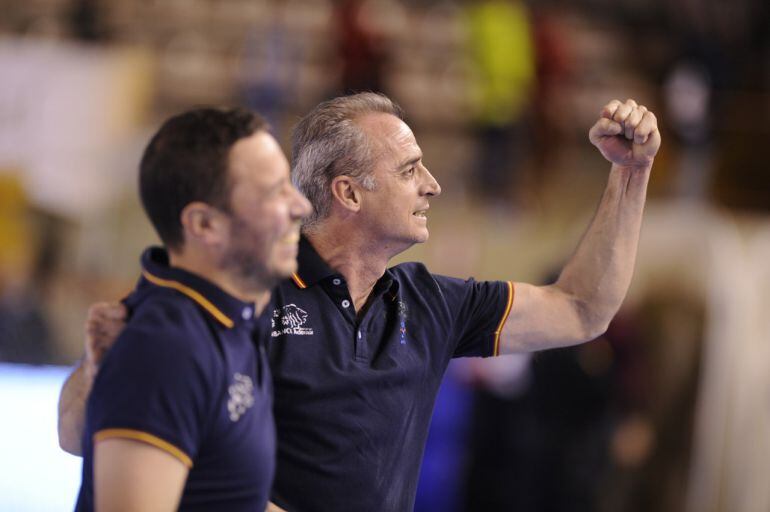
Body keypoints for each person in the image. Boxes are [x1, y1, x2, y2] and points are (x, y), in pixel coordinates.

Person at [60, 93, 660, 511]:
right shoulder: (242, 292)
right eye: (410, 169)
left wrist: (630, 176)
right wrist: (100, 369)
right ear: (347, 191)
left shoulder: (430, 303)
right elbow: (88, 433)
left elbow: (583, 308)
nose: (434, 184)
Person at [70, 107, 311, 511]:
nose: (300, 206)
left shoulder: (231, 322)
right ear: (203, 225)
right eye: (275, 192)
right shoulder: (168, 348)